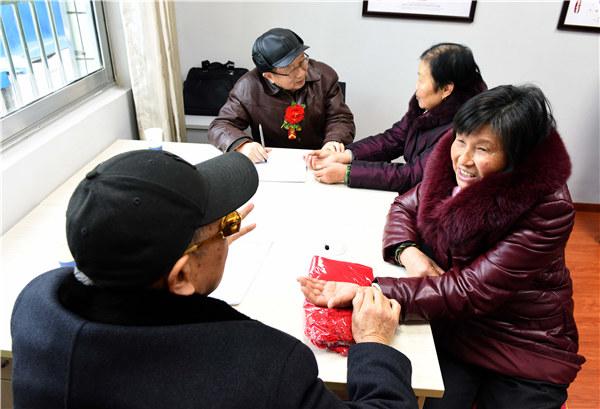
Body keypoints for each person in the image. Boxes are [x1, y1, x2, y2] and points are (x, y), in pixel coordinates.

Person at [11, 149, 418, 409]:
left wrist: (203, 248)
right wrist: (374, 343)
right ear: (180, 276)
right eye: (225, 226)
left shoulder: (35, 306)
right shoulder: (265, 370)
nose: (228, 231)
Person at [299, 85, 585, 408]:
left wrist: (371, 291)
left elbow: (470, 290)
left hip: (521, 344)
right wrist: (408, 252)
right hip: (456, 328)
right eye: (461, 140)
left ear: (518, 157)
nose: (463, 159)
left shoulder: (548, 206)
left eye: (482, 149)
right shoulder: (454, 160)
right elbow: (405, 205)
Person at [306, 43, 486, 192]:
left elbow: (412, 175)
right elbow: (393, 139)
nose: (417, 87)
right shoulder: (428, 105)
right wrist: (345, 155)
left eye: (422, 80)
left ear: (446, 89)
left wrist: (346, 173)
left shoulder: (462, 129)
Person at [208, 27, 355, 163]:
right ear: (269, 76)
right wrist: (242, 145)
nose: (301, 73)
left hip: (318, 157)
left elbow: (340, 117)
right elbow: (220, 126)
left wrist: (334, 141)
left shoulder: (324, 76)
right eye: (291, 69)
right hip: (271, 160)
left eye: (302, 62)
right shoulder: (247, 88)